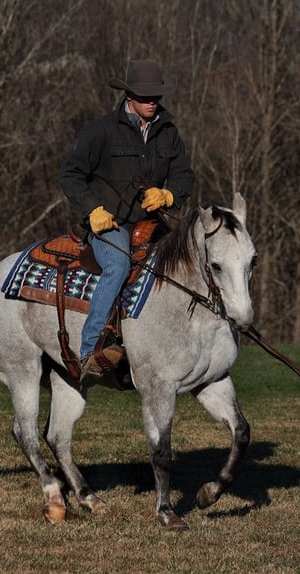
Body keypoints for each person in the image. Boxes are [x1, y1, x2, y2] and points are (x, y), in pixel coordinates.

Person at [59, 59, 194, 382]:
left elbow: (184, 175)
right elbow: (71, 175)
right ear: (129, 95)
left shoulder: (168, 132)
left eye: (156, 96)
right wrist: (93, 209)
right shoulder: (101, 130)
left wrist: (169, 195)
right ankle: (90, 351)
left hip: (152, 225)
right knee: (118, 266)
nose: (152, 101)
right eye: (145, 95)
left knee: (186, 263)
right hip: (110, 225)